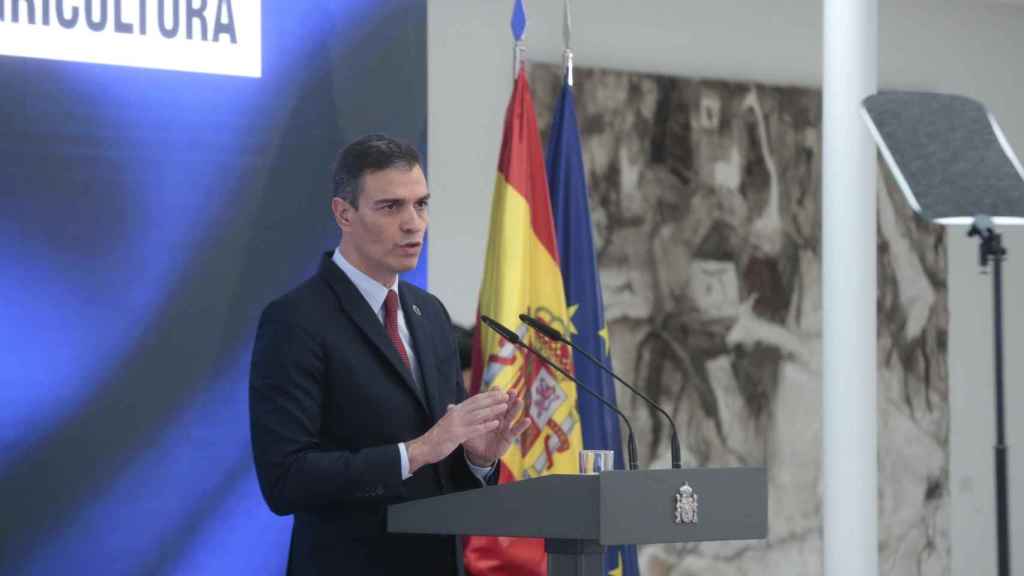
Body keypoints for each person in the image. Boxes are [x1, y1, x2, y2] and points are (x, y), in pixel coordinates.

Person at [249, 134, 530, 575]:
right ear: (344, 213)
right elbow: (286, 480)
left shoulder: (430, 314)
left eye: (421, 204)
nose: (413, 223)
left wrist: (476, 458)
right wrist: (415, 451)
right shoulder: (295, 320)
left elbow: (444, 475)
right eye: (390, 206)